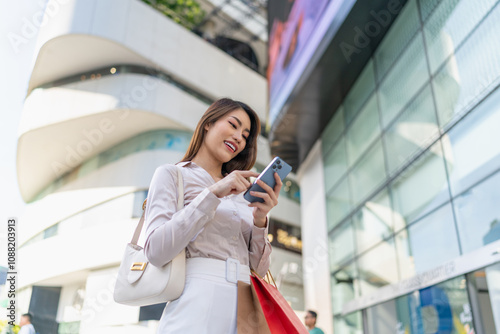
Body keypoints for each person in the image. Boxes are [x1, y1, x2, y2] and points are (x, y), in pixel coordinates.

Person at [144, 98, 281, 333]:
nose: (239, 137)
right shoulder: (172, 175)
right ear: (208, 123)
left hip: (247, 303)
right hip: (198, 298)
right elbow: (155, 251)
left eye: (246, 135)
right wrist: (212, 194)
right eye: (233, 125)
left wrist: (260, 220)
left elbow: (258, 270)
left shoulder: (242, 191)